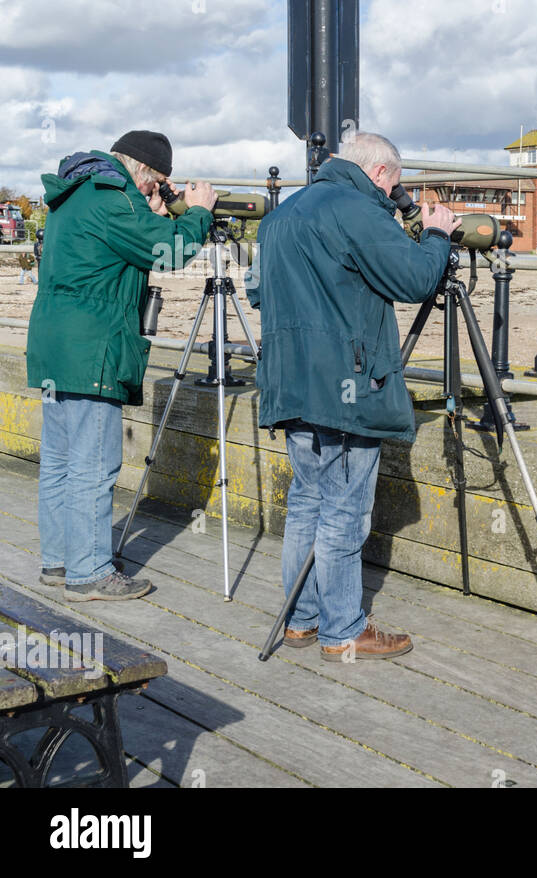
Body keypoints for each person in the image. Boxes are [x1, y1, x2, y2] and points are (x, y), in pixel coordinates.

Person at [247, 132, 459, 662]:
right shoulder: (356, 208)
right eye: (396, 187)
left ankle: (302, 619)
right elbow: (413, 280)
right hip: (346, 384)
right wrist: (436, 235)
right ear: (382, 173)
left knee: (306, 501)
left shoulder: (281, 215)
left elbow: (256, 291)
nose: (395, 197)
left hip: (290, 381)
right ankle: (342, 629)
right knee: (343, 507)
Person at [27, 131, 216, 600]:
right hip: (93, 348)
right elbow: (170, 251)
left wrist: (144, 213)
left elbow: (111, 252)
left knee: (59, 460)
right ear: (144, 171)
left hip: (56, 345)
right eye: (156, 186)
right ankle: (90, 572)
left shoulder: (77, 192)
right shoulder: (114, 199)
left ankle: (60, 559)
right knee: (94, 464)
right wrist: (198, 212)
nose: (155, 195)